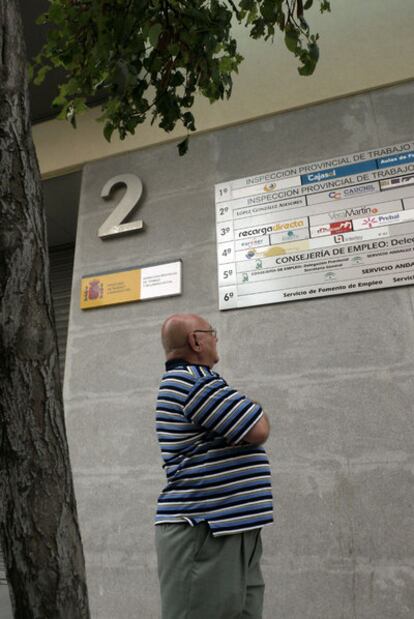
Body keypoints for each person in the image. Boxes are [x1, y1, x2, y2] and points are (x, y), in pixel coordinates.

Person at [154, 313, 273, 619]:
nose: (216, 338)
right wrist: (252, 410)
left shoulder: (199, 382)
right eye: (212, 332)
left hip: (229, 527)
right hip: (206, 530)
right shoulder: (193, 382)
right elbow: (258, 428)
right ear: (196, 340)